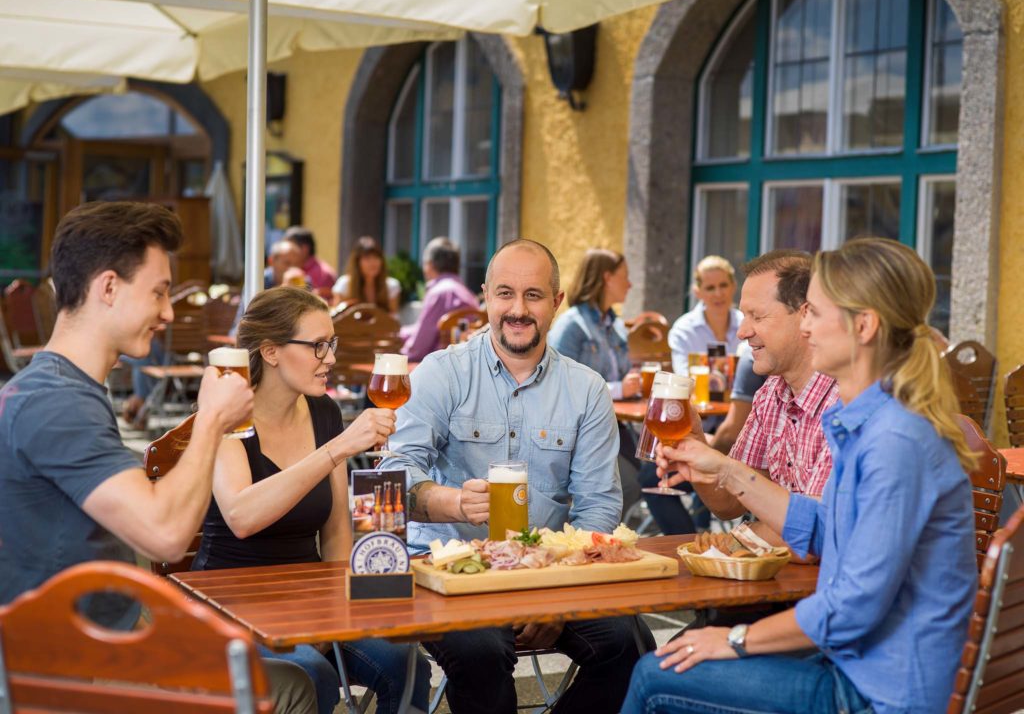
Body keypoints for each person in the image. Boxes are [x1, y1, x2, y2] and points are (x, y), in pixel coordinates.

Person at [623, 237, 978, 714]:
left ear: (864, 326)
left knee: (653, 674)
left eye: (813, 311)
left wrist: (736, 639)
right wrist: (724, 467)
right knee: (674, 655)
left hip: (877, 692)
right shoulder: (876, 421)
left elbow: (850, 609)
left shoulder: (894, 441)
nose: (805, 326)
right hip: (861, 667)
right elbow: (822, 528)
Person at [0, 201, 316, 714]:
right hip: (68, 669)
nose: (169, 312)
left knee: (293, 677)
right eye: (159, 292)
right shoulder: (55, 403)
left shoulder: (65, 390)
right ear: (107, 288)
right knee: (290, 687)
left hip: (97, 641)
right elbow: (164, 535)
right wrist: (212, 419)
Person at [381, 239, 655, 714]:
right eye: (505, 293)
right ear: (485, 296)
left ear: (557, 302)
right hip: (450, 571)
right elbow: (392, 477)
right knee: (482, 653)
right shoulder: (440, 373)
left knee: (632, 647)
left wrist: (556, 594)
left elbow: (599, 506)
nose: (518, 309)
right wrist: (453, 503)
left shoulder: (586, 390)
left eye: (533, 295)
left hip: (551, 572)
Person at [192, 286, 429, 714]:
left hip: (306, 602)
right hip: (230, 605)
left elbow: (337, 532)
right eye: (318, 346)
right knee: (310, 674)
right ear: (271, 351)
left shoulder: (324, 413)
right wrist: (337, 449)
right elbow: (242, 515)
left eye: (332, 344)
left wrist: (337, 610)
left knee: (407, 663)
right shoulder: (227, 412)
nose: (331, 359)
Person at [678, 250, 838, 550]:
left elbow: (821, 532)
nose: (742, 332)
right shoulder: (770, 394)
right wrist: (695, 446)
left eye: (757, 316)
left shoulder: (845, 398)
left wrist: (741, 537)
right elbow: (729, 503)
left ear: (805, 315)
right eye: (742, 316)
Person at [549, 248, 642, 516]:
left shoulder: (614, 325)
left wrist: (630, 381)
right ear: (607, 278)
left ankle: (604, 535)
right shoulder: (572, 325)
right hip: (577, 429)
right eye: (625, 276)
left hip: (615, 423)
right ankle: (584, 534)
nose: (630, 283)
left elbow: (621, 374)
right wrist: (619, 388)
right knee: (626, 482)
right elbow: (560, 382)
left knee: (645, 475)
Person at [400, 236, 478, 362]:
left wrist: (398, 355)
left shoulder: (438, 293)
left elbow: (419, 345)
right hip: (466, 363)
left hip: (439, 368)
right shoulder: (469, 295)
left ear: (429, 265)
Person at [668, 255, 743, 375]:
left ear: (733, 286)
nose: (718, 294)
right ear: (697, 292)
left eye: (723, 285)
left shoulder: (747, 324)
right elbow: (683, 378)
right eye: (710, 288)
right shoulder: (683, 330)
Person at [707, 342, 768, 455]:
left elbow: (731, 435)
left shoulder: (752, 355)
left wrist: (705, 454)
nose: (741, 334)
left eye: (757, 322)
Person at [332, 236, 401, 314]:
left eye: (376, 257)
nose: (373, 262)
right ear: (357, 262)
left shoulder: (391, 286)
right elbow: (337, 317)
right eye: (367, 258)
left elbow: (393, 319)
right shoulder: (344, 285)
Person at [284, 226, 337, 293]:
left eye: (290, 249)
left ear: (304, 248)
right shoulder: (290, 268)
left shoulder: (323, 274)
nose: (286, 253)